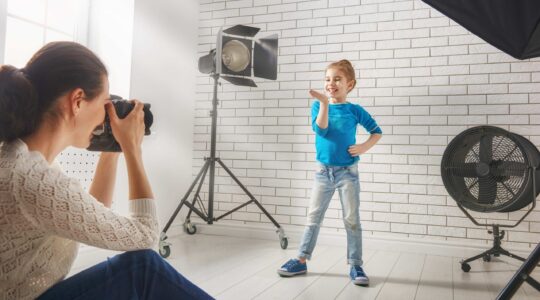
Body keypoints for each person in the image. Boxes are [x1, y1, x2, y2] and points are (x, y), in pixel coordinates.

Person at [0, 41, 213, 300]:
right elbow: (145, 237)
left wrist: (112, 149)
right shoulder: (33, 179)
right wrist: (132, 149)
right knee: (142, 268)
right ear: (77, 101)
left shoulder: (21, 160)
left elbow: (89, 213)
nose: (105, 116)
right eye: (104, 104)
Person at [277, 59, 382, 286]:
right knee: (313, 217)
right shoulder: (318, 106)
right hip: (323, 173)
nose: (331, 83)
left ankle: (355, 264)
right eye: (327, 79)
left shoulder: (354, 110)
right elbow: (321, 130)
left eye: (337, 79)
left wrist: (363, 147)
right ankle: (301, 260)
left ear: (349, 84)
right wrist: (324, 103)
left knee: (351, 219)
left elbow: (376, 131)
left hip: (348, 173)